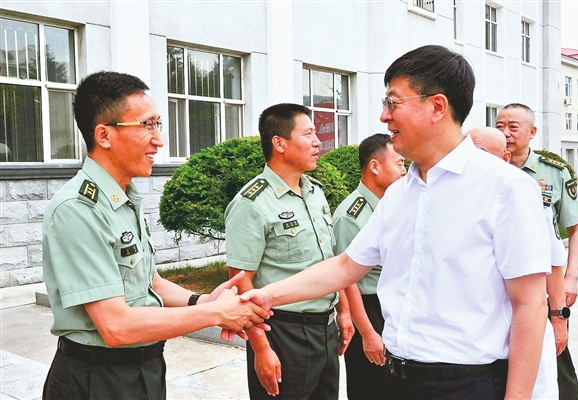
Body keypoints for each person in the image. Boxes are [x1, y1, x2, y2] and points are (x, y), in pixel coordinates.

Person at [241, 45, 551, 400]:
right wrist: (265, 295)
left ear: (437, 107)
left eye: (392, 103)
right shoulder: (400, 194)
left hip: (467, 384)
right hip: (397, 379)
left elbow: (530, 304)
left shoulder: (505, 188)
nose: (383, 116)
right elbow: (345, 266)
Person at [42, 71, 269, 400]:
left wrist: (202, 300)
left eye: (157, 125)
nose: (159, 140)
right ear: (104, 135)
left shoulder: (124, 198)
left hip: (144, 370)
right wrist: (215, 314)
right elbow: (115, 326)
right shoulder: (78, 209)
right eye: (146, 125)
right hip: (97, 379)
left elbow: (149, 282)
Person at [224, 103, 353, 399]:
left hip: (325, 329)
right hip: (283, 333)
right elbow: (240, 283)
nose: (318, 142)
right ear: (279, 143)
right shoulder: (251, 203)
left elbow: (331, 260)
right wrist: (261, 348)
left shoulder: (315, 192)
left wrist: (344, 312)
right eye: (308, 134)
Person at [468, 126, 566, 400]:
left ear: (505, 159)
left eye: (482, 153)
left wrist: (558, 319)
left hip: (525, 327)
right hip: (478, 337)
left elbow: (553, 265)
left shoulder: (525, 197)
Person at [496, 104, 578, 400]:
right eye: (499, 126)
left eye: (513, 126)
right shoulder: (489, 168)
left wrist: (571, 278)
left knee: (555, 359)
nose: (505, 133)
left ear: (532, 132)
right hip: (501, 289)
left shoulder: (553, 172)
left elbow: (576, 229)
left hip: (546, 286)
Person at [332, 133, 406, 400]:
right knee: (370, 388)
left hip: (392, 306)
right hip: (368, 311)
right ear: (375, 166)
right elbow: (346, 280)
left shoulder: (394, 204)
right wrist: (368, 333)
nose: (404, 170)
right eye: (399, 163)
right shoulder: (350, 216)